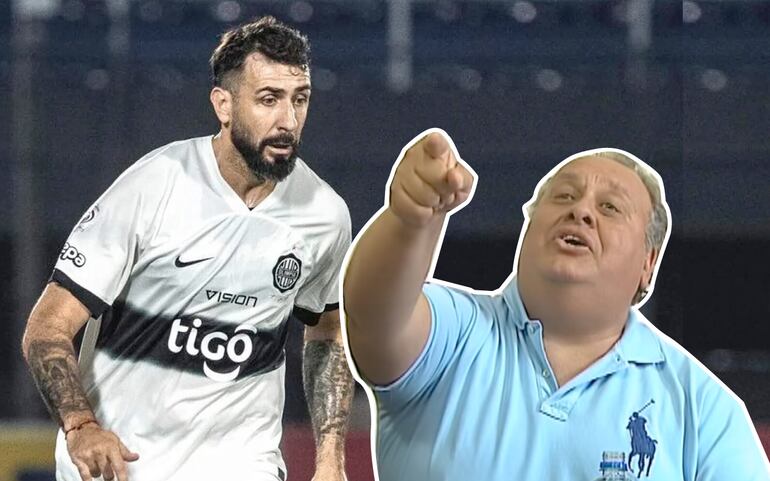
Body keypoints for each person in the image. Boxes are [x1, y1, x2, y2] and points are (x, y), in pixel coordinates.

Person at [22, 16, 353, 481]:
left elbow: (327, 331)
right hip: (122, 464)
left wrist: (331, 458)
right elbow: (46, 328)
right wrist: (81, 426)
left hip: (241, 464)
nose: (288, 121)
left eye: (300, 99)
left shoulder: (325, 214)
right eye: (268, 99)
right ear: (223, 104)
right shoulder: (153, 186)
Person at [342, 129, 770, 480]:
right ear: (527, 228)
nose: (581, 211)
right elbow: (373, 318)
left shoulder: (704, 411)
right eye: (564, 197)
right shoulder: (452, 336)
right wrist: (409, 222)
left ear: (648, 263)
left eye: (609, 207)